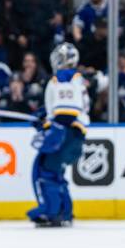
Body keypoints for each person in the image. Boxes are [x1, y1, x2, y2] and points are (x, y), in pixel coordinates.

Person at [27, 43, 90, 227]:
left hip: (65, 134)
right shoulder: (77, 79)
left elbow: (65, 114)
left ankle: (52, 212)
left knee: (47, 172)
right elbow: (61, 109)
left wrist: (48, 123)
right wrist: (44, 115)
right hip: (73, 135)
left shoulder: (64, 77)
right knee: (55, 172)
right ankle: (64, 210)